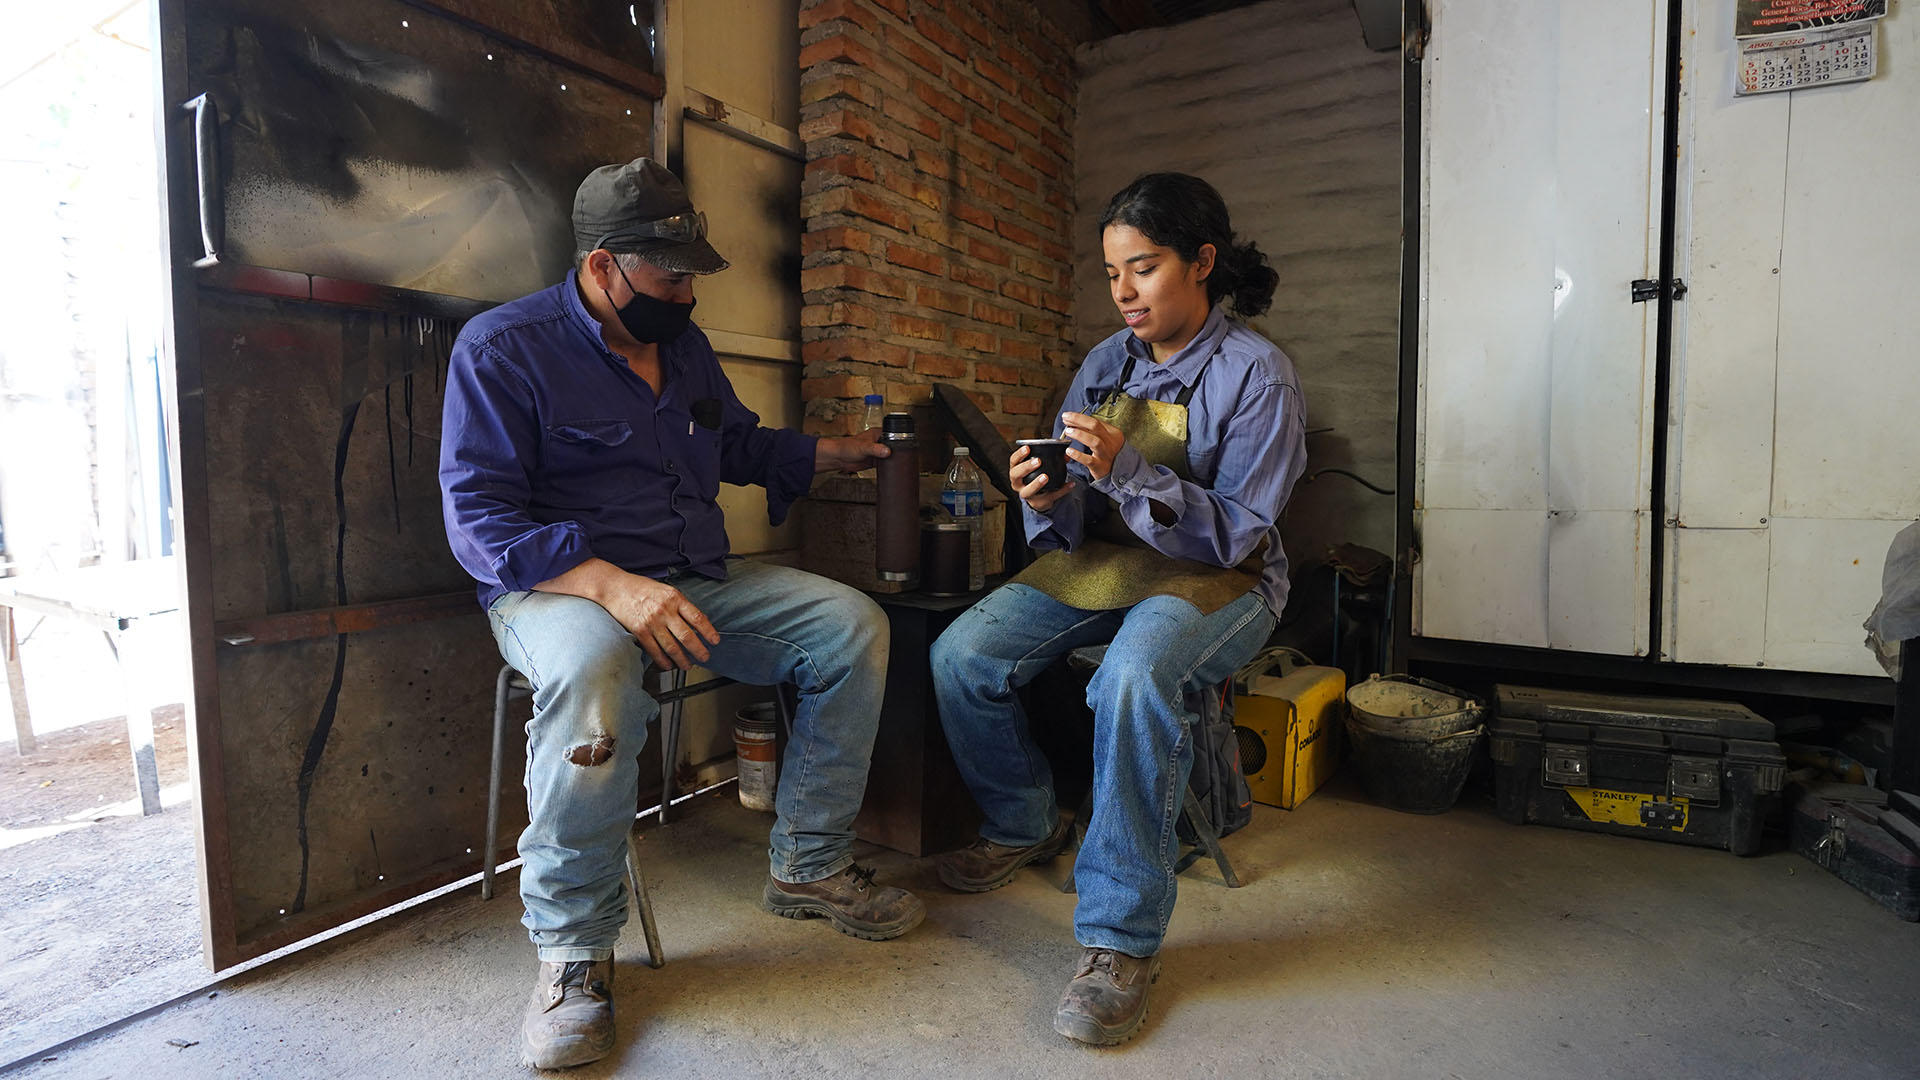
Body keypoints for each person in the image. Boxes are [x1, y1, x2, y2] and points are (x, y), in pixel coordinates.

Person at [439, 157, 923, 1071]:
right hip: (558, 591)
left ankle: (809, 863)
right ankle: (574, 952)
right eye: (669, 278)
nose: (687, 294)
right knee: (595, 669)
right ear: (601, 265)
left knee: (851, 626)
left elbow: (737, 443)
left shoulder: (685, 347)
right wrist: (611, 586)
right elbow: (478, 519)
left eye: (692, 275)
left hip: (688, 577)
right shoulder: (504, 350)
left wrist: (833, 453)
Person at [929, 173, 1307, 1046]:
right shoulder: (1106, 364)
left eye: (1144, 268)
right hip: (1108, 563)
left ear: (1202, 262)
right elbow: (1072, 515)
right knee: (961, 654)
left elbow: (1238, 533)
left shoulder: (1259, 376)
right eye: (1111, 274)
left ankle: (1119, 941)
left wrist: (1130, 472)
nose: (1125, 293)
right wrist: (1044, 495)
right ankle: (1023, 820)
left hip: (1226, 577)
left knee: (1135, 676)